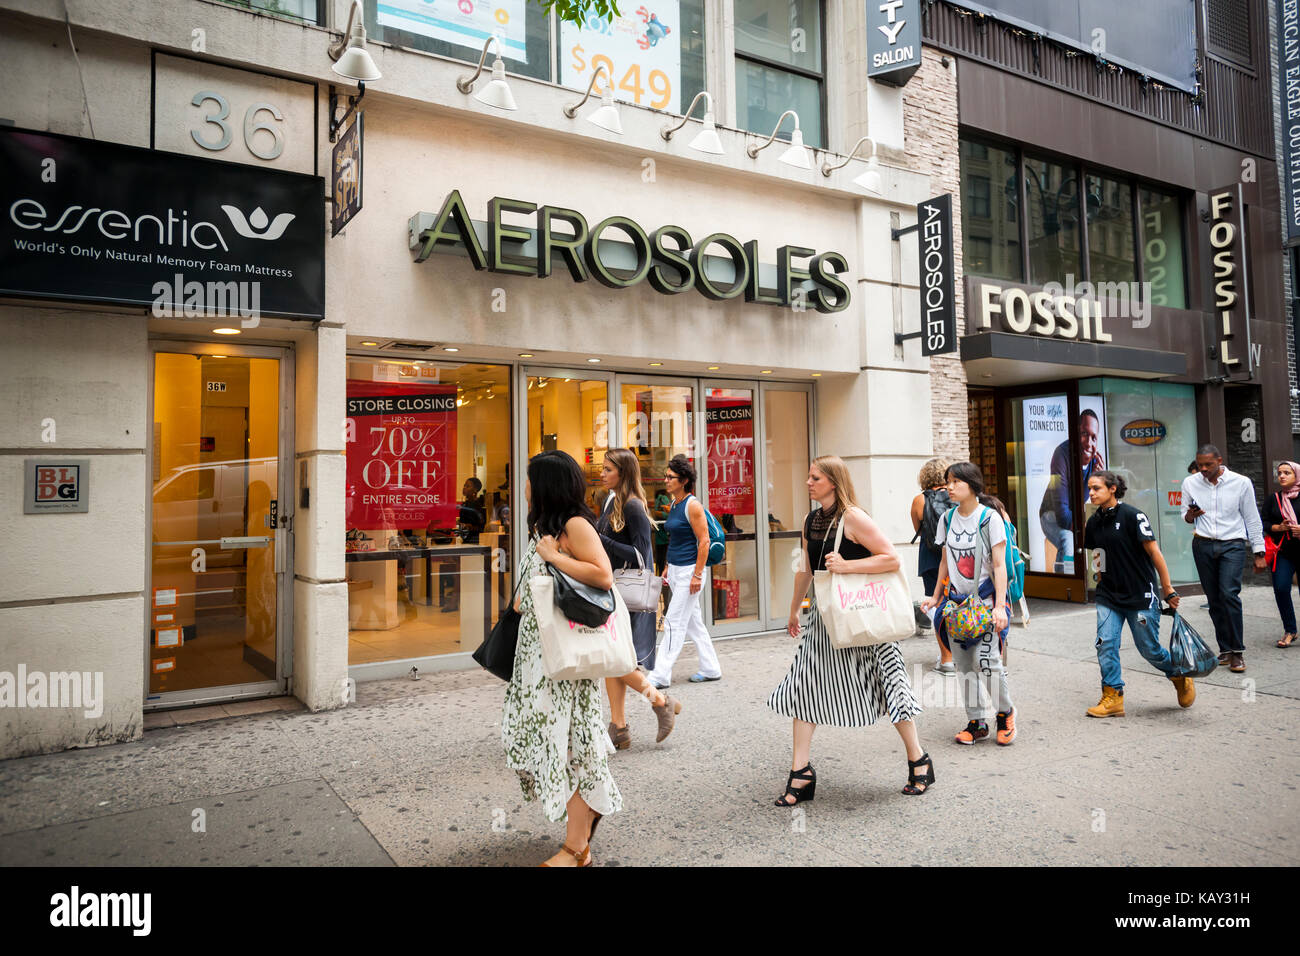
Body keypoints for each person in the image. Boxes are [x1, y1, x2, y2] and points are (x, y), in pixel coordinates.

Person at [768, 455, 933, 800]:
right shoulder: (810, 520)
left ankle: (919, 760)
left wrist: (846, 566)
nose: (809, 482)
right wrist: (795, 608)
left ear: (833, 481)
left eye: (815, 478)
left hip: (864, 620)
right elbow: (806, 568)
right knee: (805, 685)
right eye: (809, 476)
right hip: (825, 621)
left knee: (891, 687)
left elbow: (891, 557)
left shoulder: (853, 517)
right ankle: (801, 773)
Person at [501, 450, 621, 867]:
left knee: (566, 746)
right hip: (539, 659)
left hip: (564, 663)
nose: (526, 486)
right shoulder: (545, 526)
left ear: (547, 484)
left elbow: (603, 575)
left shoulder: (573, 524)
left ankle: (577, 846)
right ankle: (585, 815)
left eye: (531, 478)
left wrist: (553, 557)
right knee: (542, 742)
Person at [1082, 470, 1193, 717]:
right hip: (1109, 595)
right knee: (1105, 643)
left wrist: (1168, 589)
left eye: (1096, 488)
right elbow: (1098, 553)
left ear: (1112, 489)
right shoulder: (1093, 521)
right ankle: (1113, 696)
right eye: (1089, 488)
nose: (1091, 493)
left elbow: (1155, 554)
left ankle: (1178, 674)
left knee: (1149, 649)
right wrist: (1099, 579)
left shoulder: (1133, 516)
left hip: (1140, 595)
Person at [922, 461, 1017, 747]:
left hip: (986, 603)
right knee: (964, 666)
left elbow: (999, 566)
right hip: (956, 606)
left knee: (986, 662)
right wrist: (936, 596)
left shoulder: (990, 519)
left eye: (956, 482)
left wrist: (999, 606)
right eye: (947, 481)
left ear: (972, 486)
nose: (949, 487)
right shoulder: (947, 519)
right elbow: (944, 562)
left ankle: (1005, 713)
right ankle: (977, 722)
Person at [595, 448, 682, 748]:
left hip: (628, 594)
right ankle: (619, 727)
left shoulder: (632, 506)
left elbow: (640, 556)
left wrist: (600, 540)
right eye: (603, 468)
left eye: (608, 469)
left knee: (615, 659)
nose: (602, 473)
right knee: (612, 659)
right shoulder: (611, 501)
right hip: (613, 591)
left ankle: (659, 700)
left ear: (624, 473)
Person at [1182, 444, 1266, 673]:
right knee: (1214, 599)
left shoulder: (1241, 482)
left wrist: (1259, 552)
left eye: (1208, 464)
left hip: (1232, 545)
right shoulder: (1190, 483)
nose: (1204, 469)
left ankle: (1238, 651)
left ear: (1219, 460)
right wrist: (1191, 514)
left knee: (1229, 594)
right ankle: (1225, 649)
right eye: (1200, 465)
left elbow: (1252, 518)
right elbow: (1185, 516)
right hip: (1202, 544)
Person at [646, 455, 722, 688]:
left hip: (691, 570)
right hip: (678, 569)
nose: (666, 480)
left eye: (671, 477)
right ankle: (711, 668)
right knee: (693, 623)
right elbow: (676, 539)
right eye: (666, 476)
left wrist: (697, 575)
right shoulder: (676, 504)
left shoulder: (692, 505)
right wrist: (669, 565)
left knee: (673, 621)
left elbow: (704, 541)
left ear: (684, 480)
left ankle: (660, 674)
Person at [1039, 409, 1105, 573]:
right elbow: (1062, 515)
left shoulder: (1093, 461)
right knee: (1068, 540)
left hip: (1074, 516)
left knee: (1104, 536)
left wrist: (1098, 478)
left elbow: (1098, 501)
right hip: (1051, 515)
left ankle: (1099, 583)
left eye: (1094, 437)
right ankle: (1065, 585)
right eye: (1084, 433)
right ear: (1074, 433)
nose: (1088, 442)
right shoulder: (1061, 454)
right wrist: (1083, 527)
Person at [910, 457, 951, 671]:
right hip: (955, 556)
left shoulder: (919, 500)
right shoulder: (956, 496)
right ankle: (960, 647)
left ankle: (946, 653)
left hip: (931, 556)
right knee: (958, 600)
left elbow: (918, 527)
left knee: (937, 604)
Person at [1263, 461, 1300, 648]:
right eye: (1280, 473)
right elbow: (1264, 522)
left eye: (1287, 472)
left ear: (1297, 475)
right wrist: (1279, 527)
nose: (1282, 476)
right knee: (1281, 588)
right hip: (1283, 552)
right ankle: (1290, 630)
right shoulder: (1274, 499)